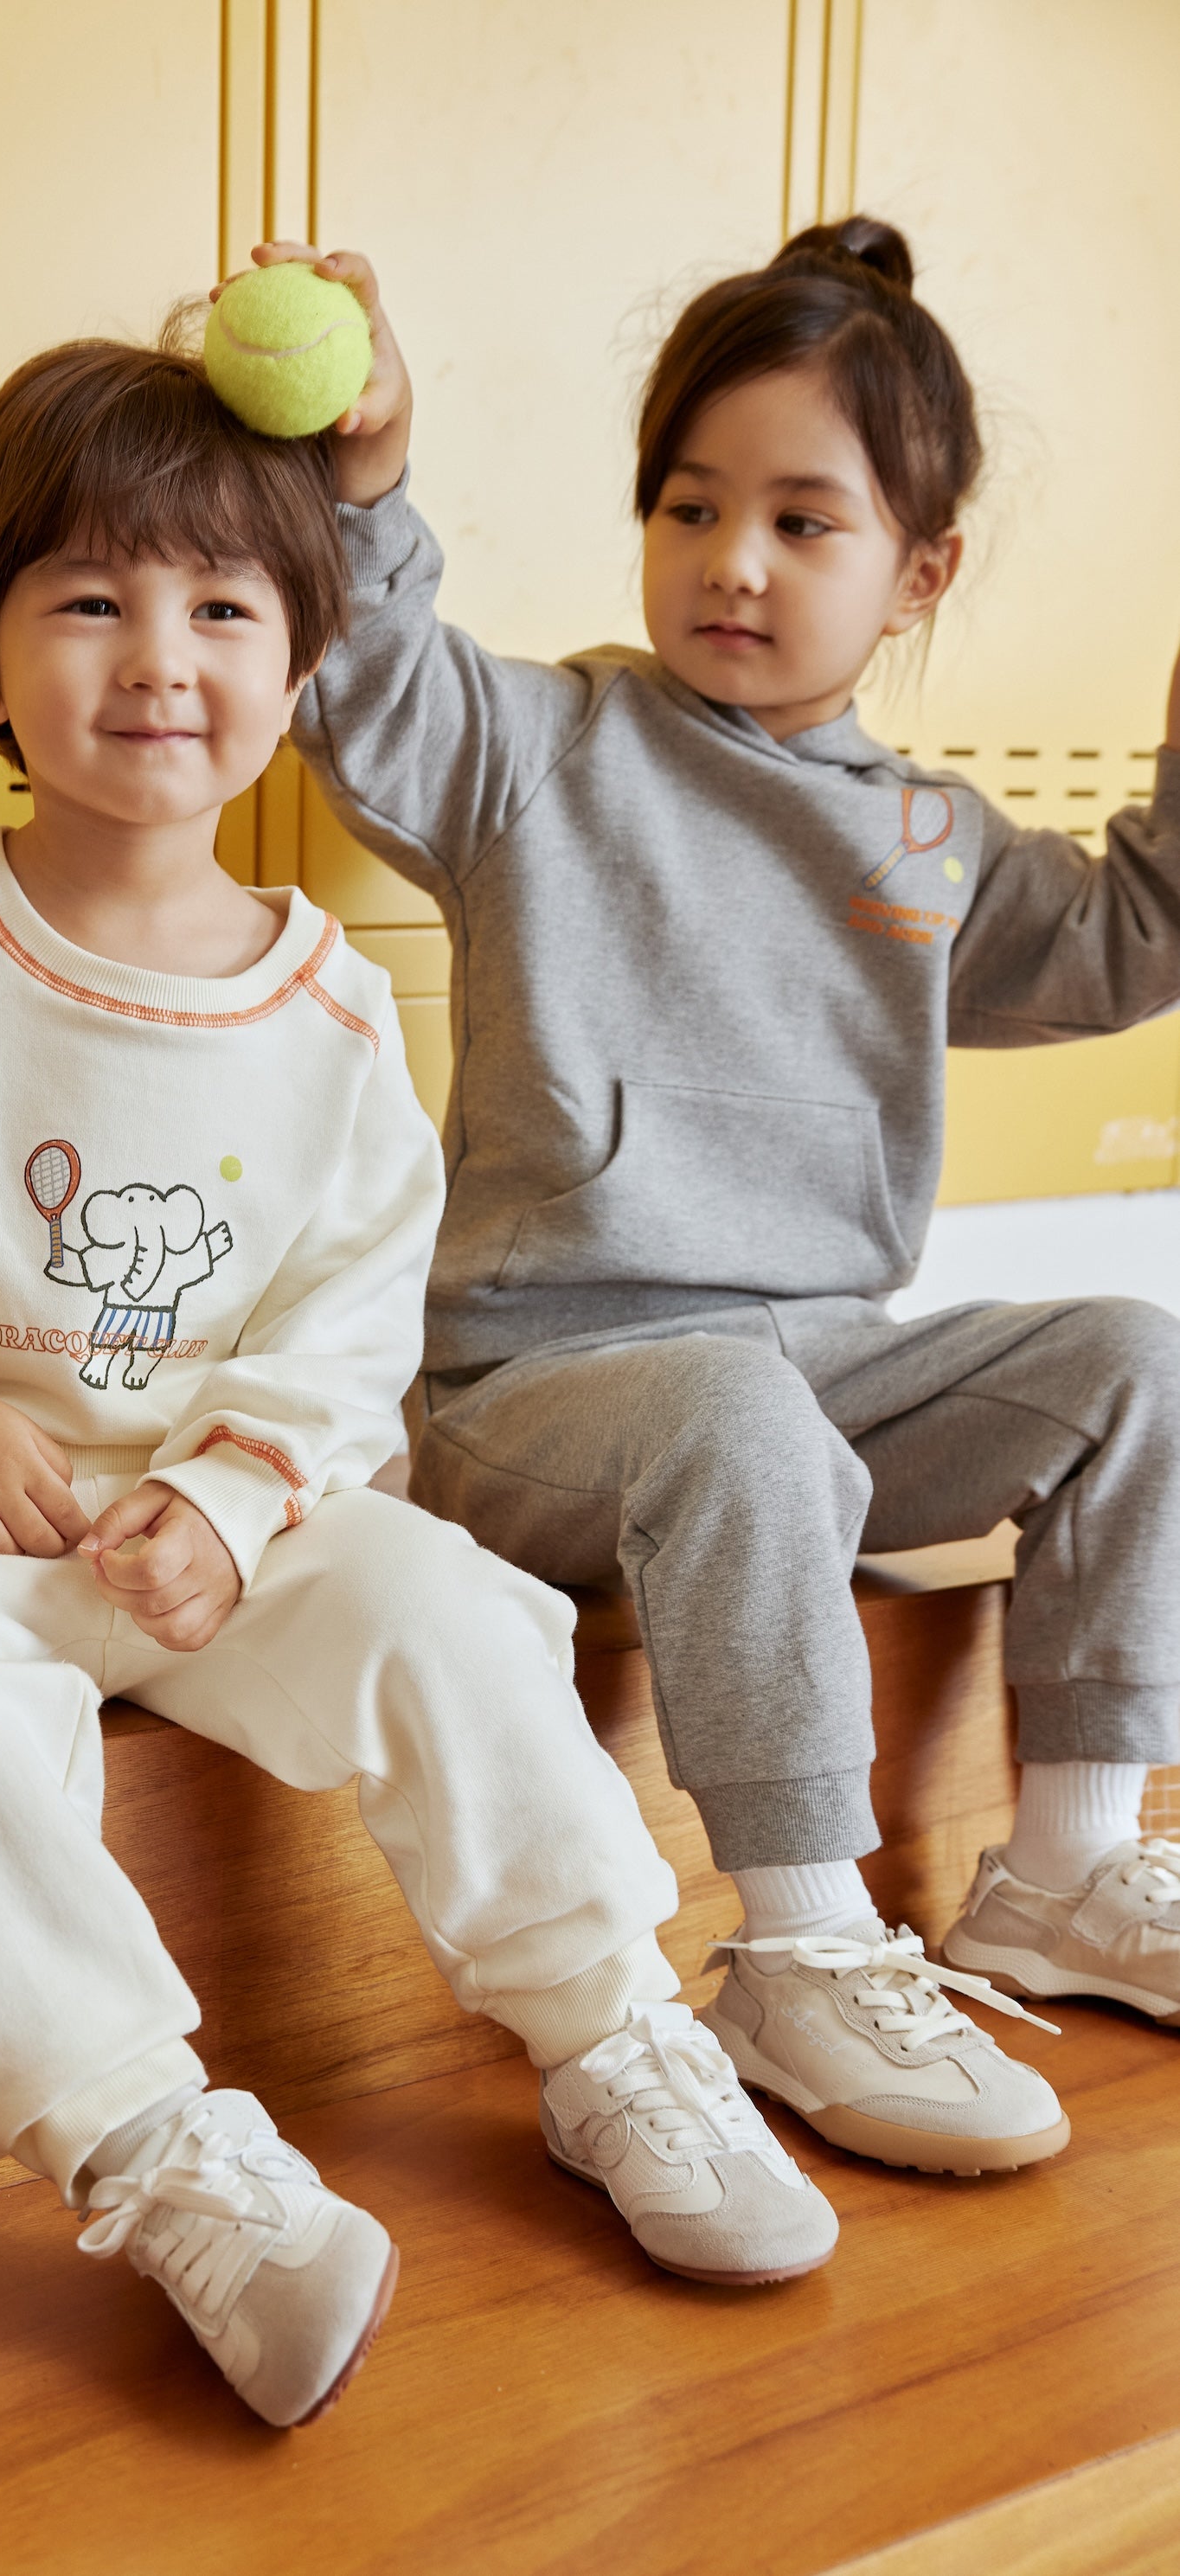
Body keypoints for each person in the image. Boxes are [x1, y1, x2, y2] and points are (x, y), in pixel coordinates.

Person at [0, 332, 840, 2434]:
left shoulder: (331, 1003)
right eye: (91, 599)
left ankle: (610, 2035)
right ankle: (160, 2149)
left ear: (298, 663)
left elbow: (345, 1315)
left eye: (223, 606)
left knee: (454, 1616)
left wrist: (223, 1505)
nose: (158, 656)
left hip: (234, 1530)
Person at [273, 216, 1180, 2180]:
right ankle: (800, 1942)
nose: (734, 562)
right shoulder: (544, 746)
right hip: (546, 1402)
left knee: (1135, 1356)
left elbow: (1130, 937)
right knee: (736, 1411)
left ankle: (1067, 1870)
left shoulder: (931, 841)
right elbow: (362, 672)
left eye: (802, 519)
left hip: (819, 1383)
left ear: (918, 572)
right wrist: (362, 473)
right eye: (691, 506)